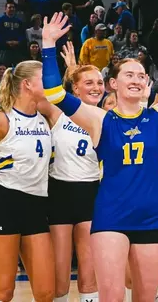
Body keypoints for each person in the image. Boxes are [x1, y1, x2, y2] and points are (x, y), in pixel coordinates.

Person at [41, 11, 158, 301]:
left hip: (152, 217)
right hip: (110, 216)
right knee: (112, 296)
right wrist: (47, 45)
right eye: (128, 75)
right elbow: (55, 93)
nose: (136, 80)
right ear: (113, 84)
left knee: (145, 296)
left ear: (146, 85)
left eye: (141, 76)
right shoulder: (98, 119)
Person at [38, 43, 102, 302]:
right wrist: (50, 50)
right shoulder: (59, 113)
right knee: (59, 274)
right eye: (88, 83)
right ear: (74, 88)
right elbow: (45, 90)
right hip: (60, 193)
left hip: (92, 193)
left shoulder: (107, 117)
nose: (96, 87)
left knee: (89, 273)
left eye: (99, 82)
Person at [0, 60, 55, 302]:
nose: (51, 80)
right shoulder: (2, 119)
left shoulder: (46, 113)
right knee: (3, 291)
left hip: (37, 203)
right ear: (28, 84)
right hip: (6, 200)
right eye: (44, 77)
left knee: (46, 292)